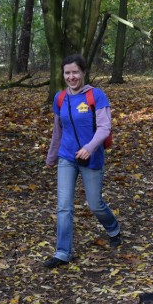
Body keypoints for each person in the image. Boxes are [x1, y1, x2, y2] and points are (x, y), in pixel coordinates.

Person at [44, 54, 121, 267]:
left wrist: (89, 148)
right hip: (67, 157)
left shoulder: (96, 96)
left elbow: (105, 128)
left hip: (91, 157)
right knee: (64, 206)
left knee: (95, 204)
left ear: (83, 72)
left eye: (75, 72)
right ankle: (62, 252)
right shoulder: (60, 98)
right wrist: (51, 156)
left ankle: (113, 228)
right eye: (67, 73)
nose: (71, 77)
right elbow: (57, 131)